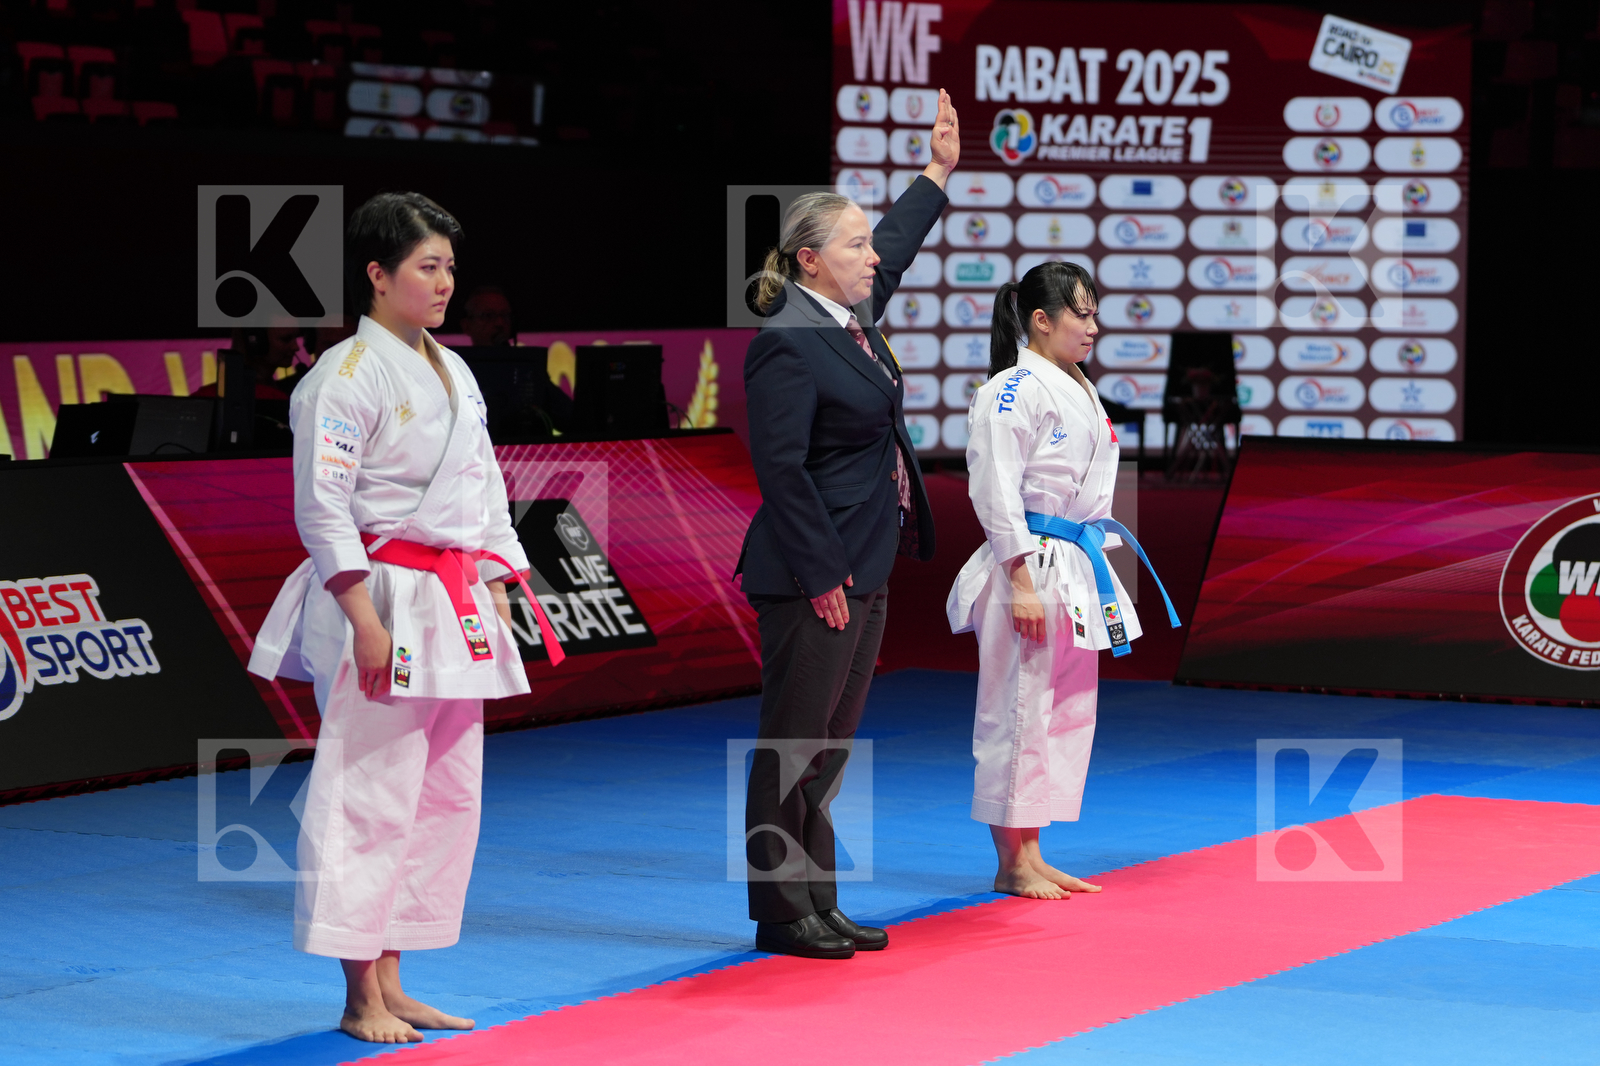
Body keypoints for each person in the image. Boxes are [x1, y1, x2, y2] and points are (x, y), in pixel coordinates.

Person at [248, 193, 563, 1043]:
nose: (444, 283)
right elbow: (323, 510)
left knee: (445, 793)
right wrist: (364, 618)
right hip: (380, 594)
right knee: (370, 790)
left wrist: (497, 583)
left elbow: (482, 486)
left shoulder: (453, 370)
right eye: (428, 266)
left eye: (450, 267)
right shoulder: (342, 377)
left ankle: (395, 979)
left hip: (451, 598)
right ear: (378, 275)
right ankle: (357, 996)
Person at [735, 89, 959, 959]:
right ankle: (779, 910)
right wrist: (823, 575)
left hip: (864, 564)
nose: (873, 256)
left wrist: (936, 172)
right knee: (791, 746)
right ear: (810, 260)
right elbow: (780, 471)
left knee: (826, 749)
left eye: (869, 242)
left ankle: (816, 899)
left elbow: (895, 248)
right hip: (808, 572)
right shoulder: (786, 338)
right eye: (855, 245)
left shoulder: (847, 312)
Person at [945, 262, 1179, 900]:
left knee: (1062, 714)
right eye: (1083, 313)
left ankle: (1034, 850)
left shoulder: (1075, 383)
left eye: (1096, 313)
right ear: (1042, 320)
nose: (1094, 326)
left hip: (1074, 563)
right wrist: (1018, 578)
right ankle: (1009, 861)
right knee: (1017, 709)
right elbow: (994, 492)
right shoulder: (1011, 389)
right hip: (1031, 562)